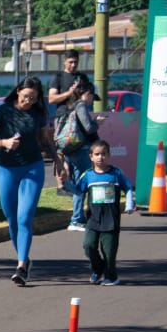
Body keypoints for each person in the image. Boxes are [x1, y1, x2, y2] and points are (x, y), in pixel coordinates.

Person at [0, 76, 53, 286]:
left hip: (33, 167)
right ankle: (24, 258)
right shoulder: (2, 111)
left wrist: (58, 160)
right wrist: (4, 142)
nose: (28, 102)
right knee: (11, 218)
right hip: (7, 170)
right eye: (25, 97)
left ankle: (21, 265)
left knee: (24, 217)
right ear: (18, 91)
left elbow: (44, 139)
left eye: (33, 99)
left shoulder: (38, 113)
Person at [74, 139, 136, 286]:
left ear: (109, 155)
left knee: (109, 251)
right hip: (93, 219)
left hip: (111, 219)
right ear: (91, 157)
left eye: (103, 154)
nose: (100, 157)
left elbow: (128, 187)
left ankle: (111, 276)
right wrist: (64, 183)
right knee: (88, 245)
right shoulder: (88, 175)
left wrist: (129, 204)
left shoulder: (116, 173)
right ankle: (97, 269)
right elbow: (78, 190)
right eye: (97, 154)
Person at [59, 81, 102, 232]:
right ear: (88, 94)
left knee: (79, 182)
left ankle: (78, 217)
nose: (91, 102)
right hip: (80, 149)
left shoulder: (69, 105)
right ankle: (77, 218)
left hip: (70, 149)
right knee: (83, 184)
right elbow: (88, 128)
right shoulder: (81, 105)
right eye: (92, 98)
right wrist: (97, 123)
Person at [48, 49, 90, 194]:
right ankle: (61, 185)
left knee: (78, 149)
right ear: (64, 62)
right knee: (61, 149)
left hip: (79, 118)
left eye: (75, 62)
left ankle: (77, 182)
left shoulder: (82, 77)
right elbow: (52, 98)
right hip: (63, 118)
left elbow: (88, 95)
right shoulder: (58, 77)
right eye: (70, 62)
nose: (73, 65)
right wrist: (69, 93)